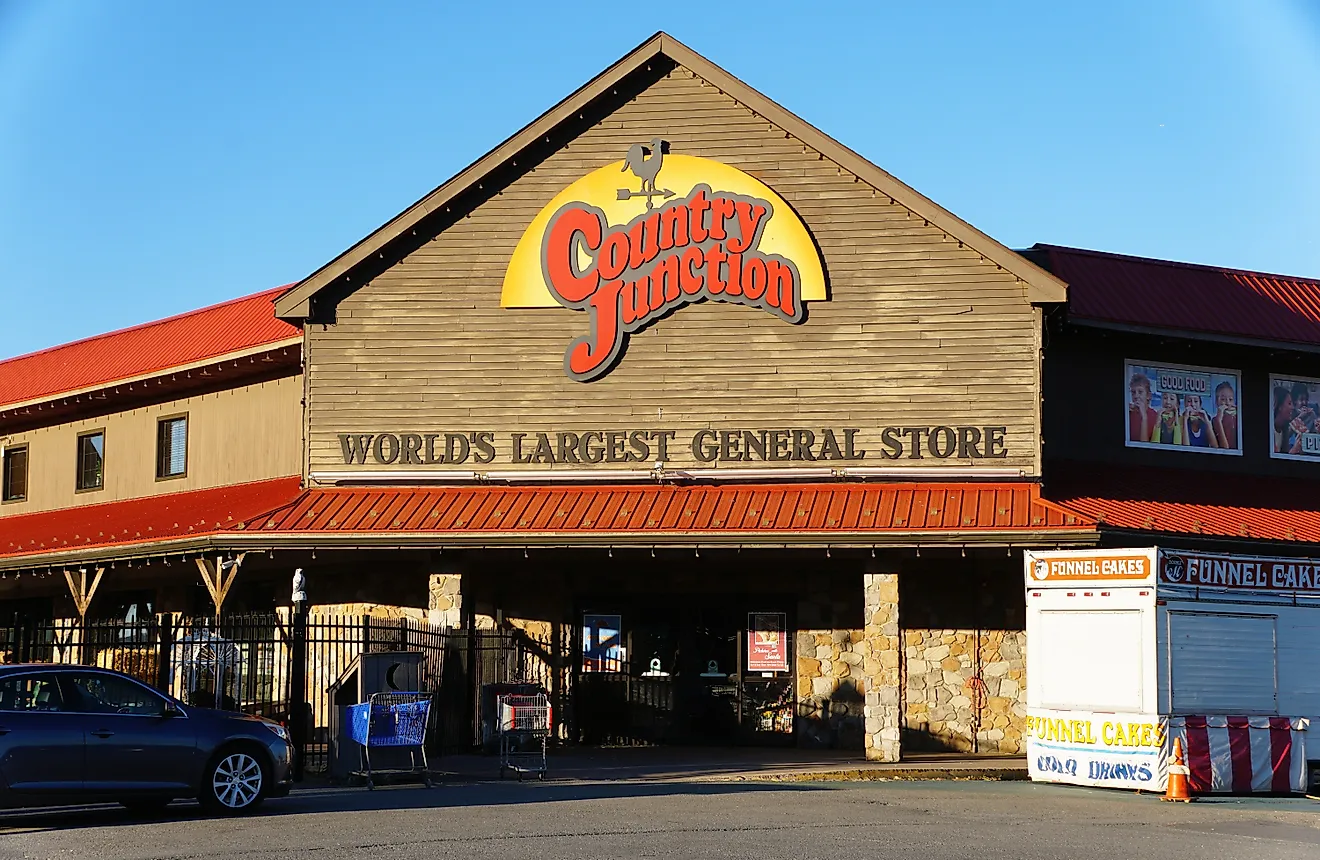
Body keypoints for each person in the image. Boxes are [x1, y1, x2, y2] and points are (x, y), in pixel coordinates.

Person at [1128, 373, 1159, 444]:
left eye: (1140, 392)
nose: (1136, 396)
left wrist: (1144, 417)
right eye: (1133, 392)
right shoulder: (1128, 414)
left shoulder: (1155, 417)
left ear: (1149, 396)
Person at [1273, 386, 1304, 455]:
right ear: (1280, 406)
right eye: (1289, 403)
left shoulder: (1284, 431)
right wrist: (1294, 450)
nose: (1292, 407)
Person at [1211, 381, 1238, 450]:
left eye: (1231, 399)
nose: (1228, 403)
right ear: (1217, 402)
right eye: (1223, 399)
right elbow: (1224, 448)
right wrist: (1219, 420)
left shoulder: (1238, 418)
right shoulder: (1214, 421)